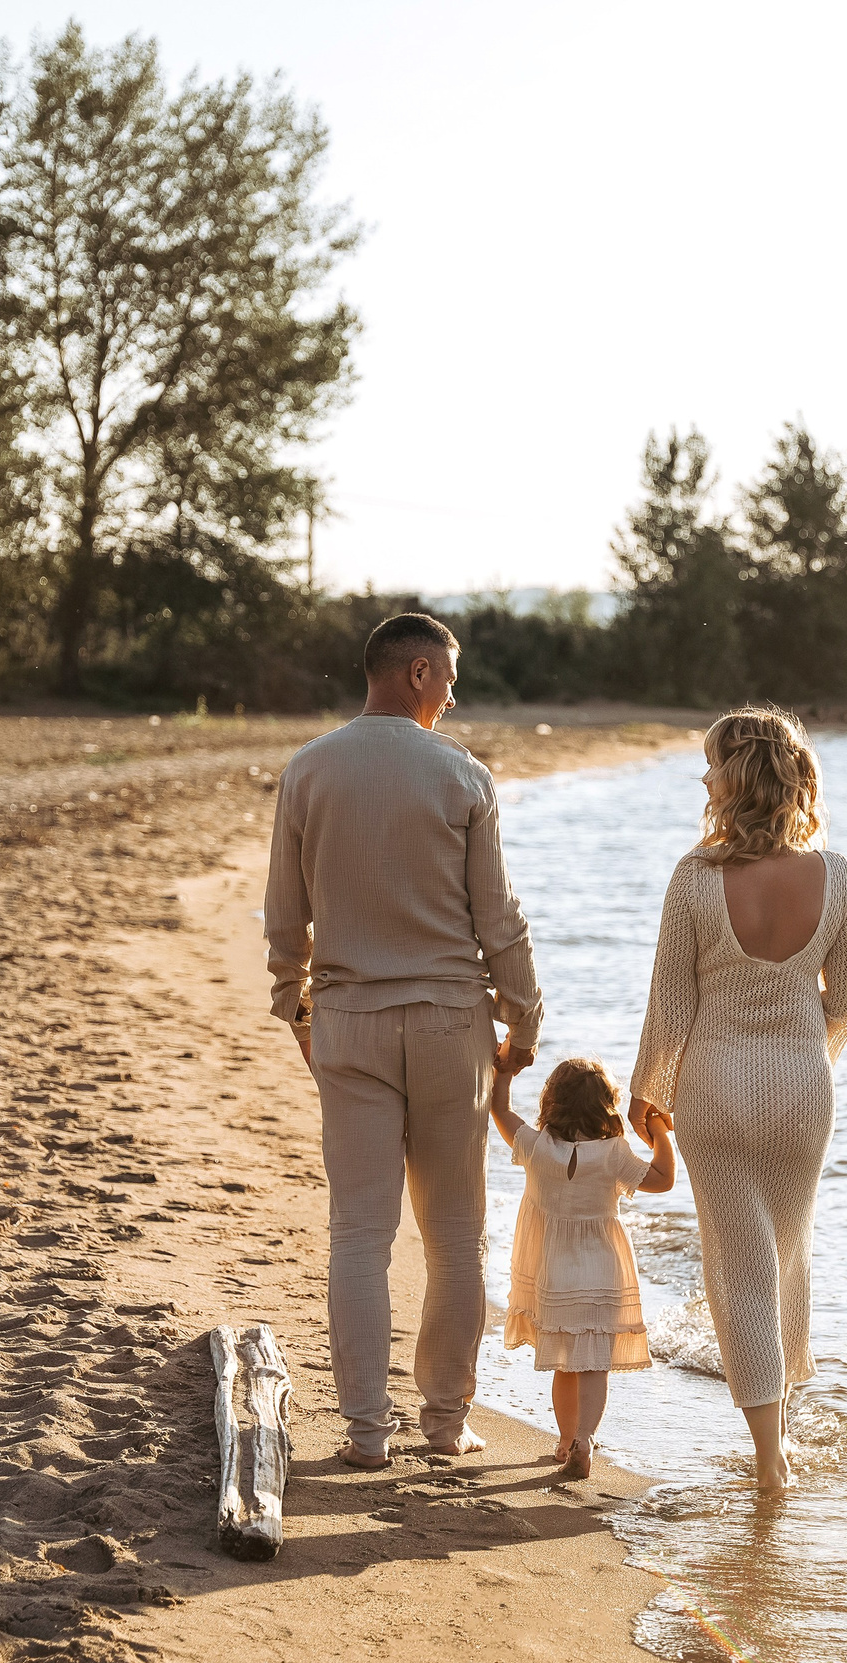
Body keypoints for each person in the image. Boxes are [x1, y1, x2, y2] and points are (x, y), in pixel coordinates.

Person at [262, 612, 543, 1470]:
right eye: (449, 677)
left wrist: (294, 1006)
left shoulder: (308, 770)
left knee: (359, 1230)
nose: (454, 694)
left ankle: (365, 1432)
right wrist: (523, 1017)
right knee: (455, 1232)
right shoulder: (464, 776)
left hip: (348, 1017)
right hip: (453, 1020)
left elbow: (285, 912)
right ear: (416, 672)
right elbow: (497, 917)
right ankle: (446, 1420)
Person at [629, 707, 847, 1491]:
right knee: (789, 1253)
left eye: (710, 764)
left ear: (737, 778)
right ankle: (783, 1439)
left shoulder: (695, 878)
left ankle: (770, 1458)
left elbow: (670, 1004)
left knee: (738, 1267)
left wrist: (649, 1094)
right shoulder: (838, 876)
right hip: (804, 1091)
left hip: (715, 1089)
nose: (701, 777)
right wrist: (810, 1052)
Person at [488, 1057, 674, 1478]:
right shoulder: (613, 1154)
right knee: (594, 1363)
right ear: (607, 1107)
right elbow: (663, 1179)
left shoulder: (536, 1147)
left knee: (565, 1361)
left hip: (555, 1273)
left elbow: (499, 1109)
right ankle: (585, 1438)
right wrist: (659, 1130)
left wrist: (503, 1072)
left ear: (551, 1102)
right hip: (603, 1269)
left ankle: (564, 1439)